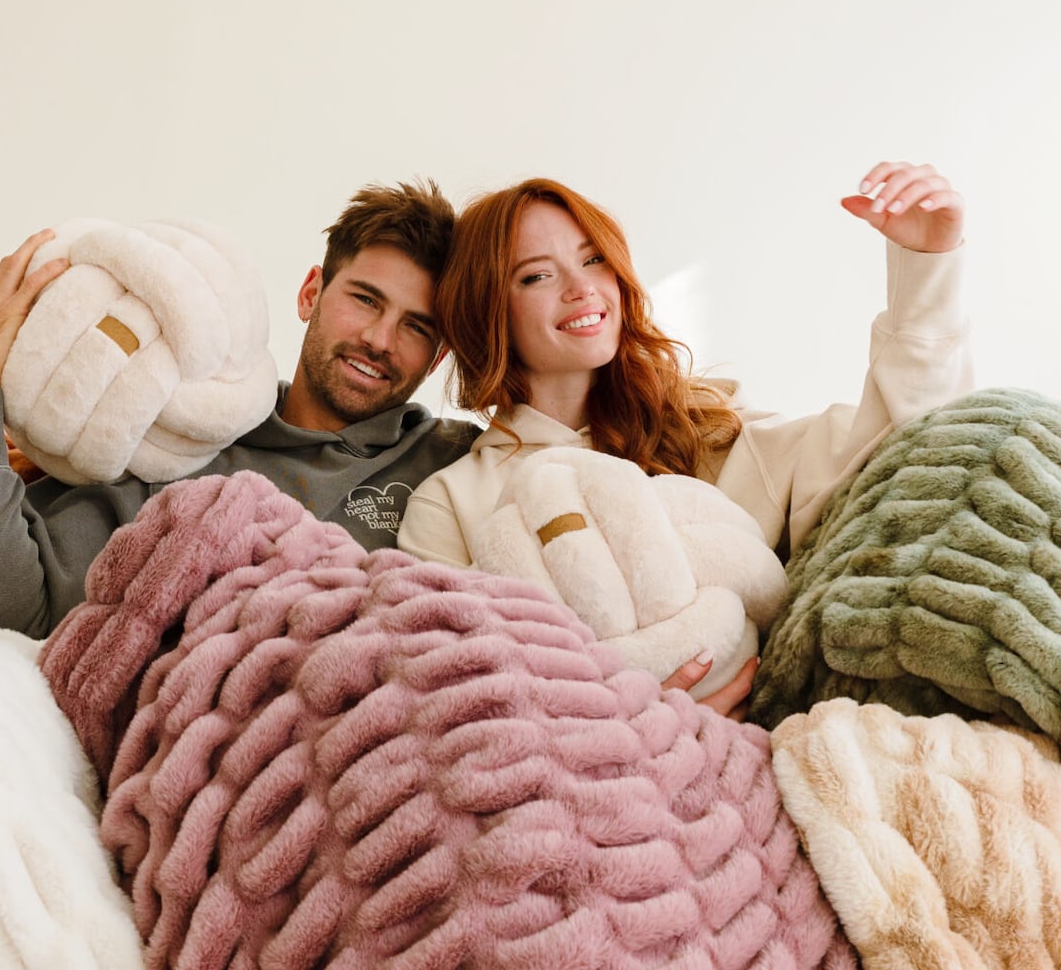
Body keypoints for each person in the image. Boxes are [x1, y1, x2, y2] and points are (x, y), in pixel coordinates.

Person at [396, 162, 972, 716]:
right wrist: (637, 725)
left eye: (594, 259)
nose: (581, 288)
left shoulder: (707, 428)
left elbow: (910, 459)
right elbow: (455, 700)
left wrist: (926, 265)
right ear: (487, 309)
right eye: (537, 275)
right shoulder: (451, 501)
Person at [0, 181, 481, 639]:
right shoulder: (183, 434)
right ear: (311, 293)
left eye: (416, 327)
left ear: (435, 360)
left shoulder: (462, 462)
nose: (381, 339)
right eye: (365, 299)